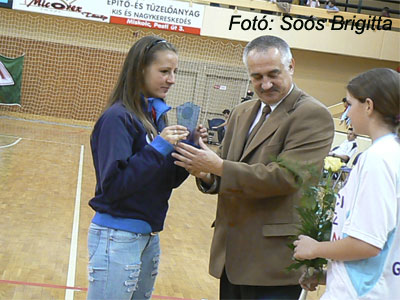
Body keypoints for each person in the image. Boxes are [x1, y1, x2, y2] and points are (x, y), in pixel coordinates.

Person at [172, 35, 334, 299]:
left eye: (273, 74)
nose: (266, 84)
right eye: (257, 77)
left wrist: (219, 166)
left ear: (291, 66)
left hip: (273, 263)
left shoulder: (312, 115)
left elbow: (287, 178)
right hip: (231, 257)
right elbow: (225, 172)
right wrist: (206, 174)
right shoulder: (242, 112)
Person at [86, 36, 207, 300]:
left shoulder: (155, 117)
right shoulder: (117, 118)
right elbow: (115, 186)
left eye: (174, 72)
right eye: (164, 71)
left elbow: (166, 180)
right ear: (140, 69)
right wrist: (159, 147)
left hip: (148, 238)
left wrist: (191, 147)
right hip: (117, 238)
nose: (172, 79)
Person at [293, 68, 400, 300]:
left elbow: (367, 244)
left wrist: (315, 248)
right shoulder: (390, 153)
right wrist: (327, 276)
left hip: (361, 293)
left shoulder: (378, 159)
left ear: (369, 106)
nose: (347, 114)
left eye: (349, 105)